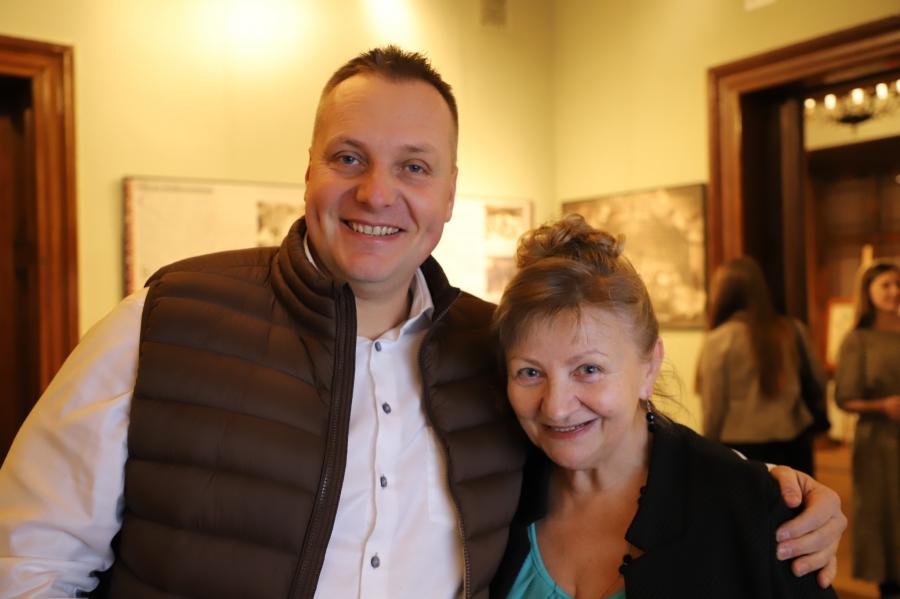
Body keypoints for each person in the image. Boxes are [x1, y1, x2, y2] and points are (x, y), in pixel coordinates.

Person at [0, 46, 843, 599]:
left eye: (413, 166)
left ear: (447, 193)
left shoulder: (491, 349)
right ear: (308, 170)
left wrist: (770, 492)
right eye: (348, 158)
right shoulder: (166, 318)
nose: (377, 193)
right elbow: (28, 559)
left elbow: (607, 434)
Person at [490, 215, 837, 598]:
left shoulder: (753, 508)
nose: (555, 408)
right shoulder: (496, 494)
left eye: (588, 369)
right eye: (529, 372)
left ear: (649, 366)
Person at [696, 256, 825, 475]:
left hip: (741, 447)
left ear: (723, 293)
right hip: (793, 440)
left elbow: (714, 405)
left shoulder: (720, 339)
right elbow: (818, 380)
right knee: (796, 497)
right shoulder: (792, 330)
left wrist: (707, 447)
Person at [834, 260, 900, 599]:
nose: (894, 291)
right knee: (883, 518)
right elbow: (844, 398)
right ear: (868, 292)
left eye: (897, 284)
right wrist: (883, 406)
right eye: (885, 285)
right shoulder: (857, 340)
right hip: (878, 444)